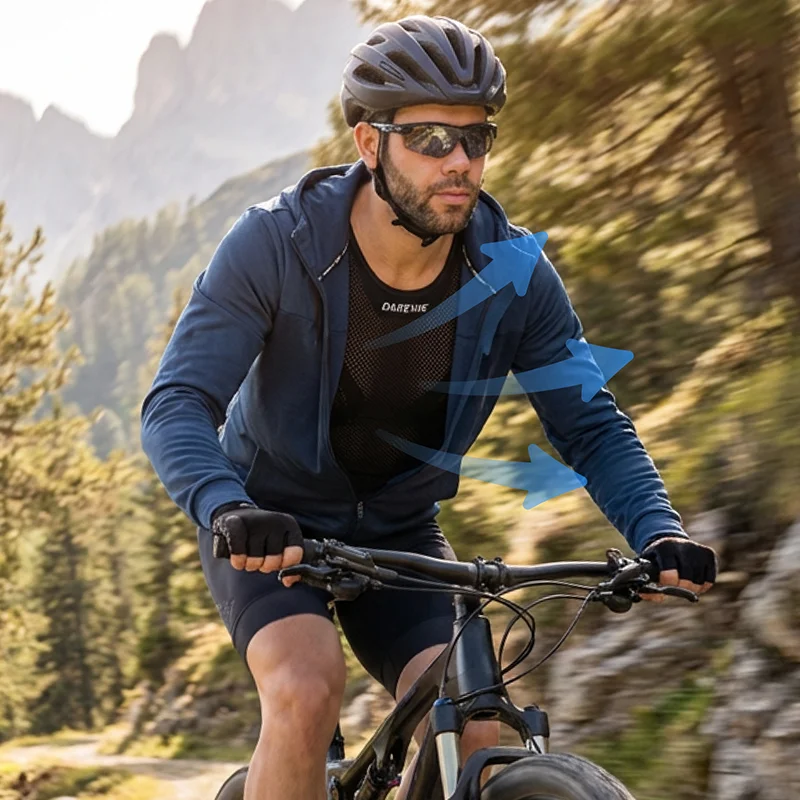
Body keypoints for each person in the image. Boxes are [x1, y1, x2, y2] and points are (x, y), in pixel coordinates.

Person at [140, 14, 718, 800]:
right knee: (306, 690)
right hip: (270, 529)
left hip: (400, 535)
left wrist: (657, 528)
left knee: (476, 724)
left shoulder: (513, 273)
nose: (460, 162)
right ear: (369, 143)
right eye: (431, 139)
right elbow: (178, 400)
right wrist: (226, 506)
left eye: (476, 139)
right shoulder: (277, 246)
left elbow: (588, 423)